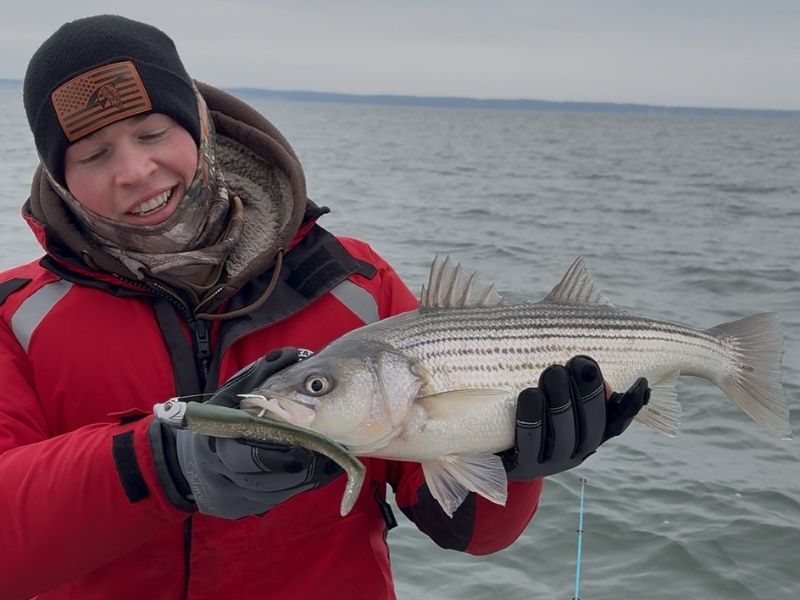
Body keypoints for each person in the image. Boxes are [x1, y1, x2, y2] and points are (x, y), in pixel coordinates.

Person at [0, 15, 650, 600]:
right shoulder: (17, 318)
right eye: (93, 155)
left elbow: (468, 530)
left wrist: (514, 456)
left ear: (200, 125)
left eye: (151, 132)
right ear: (58, 177)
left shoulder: (354, 286)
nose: (135, 170)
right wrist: (169, 463)